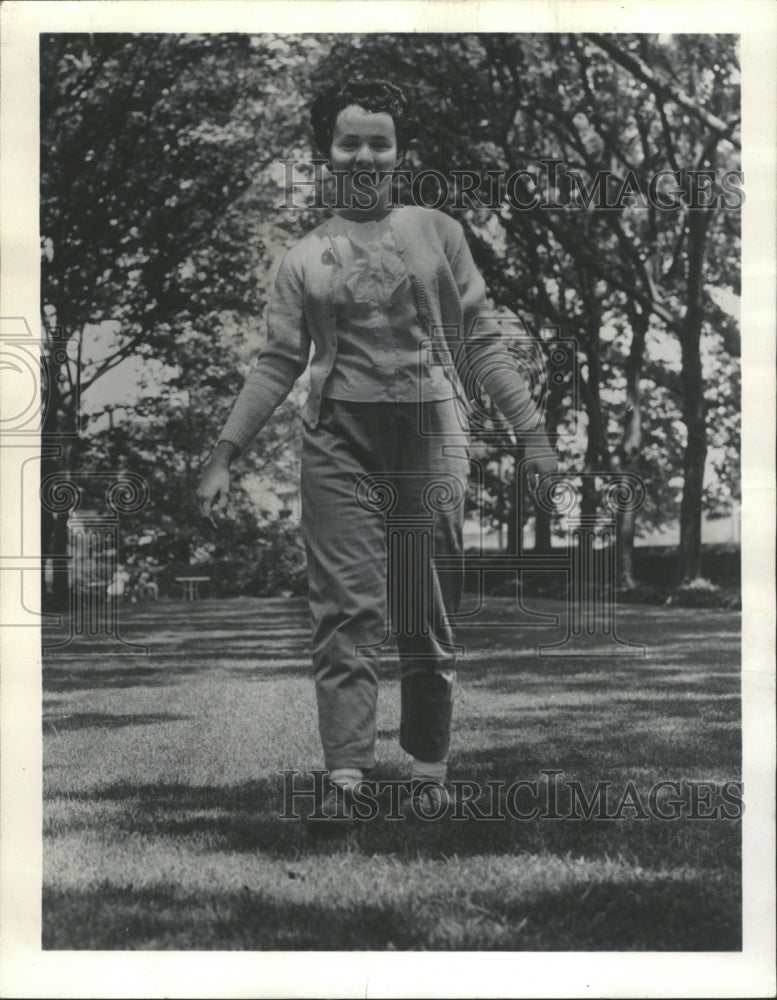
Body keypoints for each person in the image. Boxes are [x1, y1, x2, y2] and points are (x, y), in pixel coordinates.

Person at [197, 78, 556, 820]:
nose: (364, 155)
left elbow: (480, 340)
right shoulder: (302, 256)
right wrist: (225, 452)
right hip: (338, 442)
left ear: (399, 152)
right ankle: (346, 783)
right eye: (348, 141)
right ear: (325, 152)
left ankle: (428, 773)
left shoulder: (436, 231)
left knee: (424, 612)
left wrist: (532, 434)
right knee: (344, 612)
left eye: (379, 142)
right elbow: (277, 361)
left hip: (429, 433)